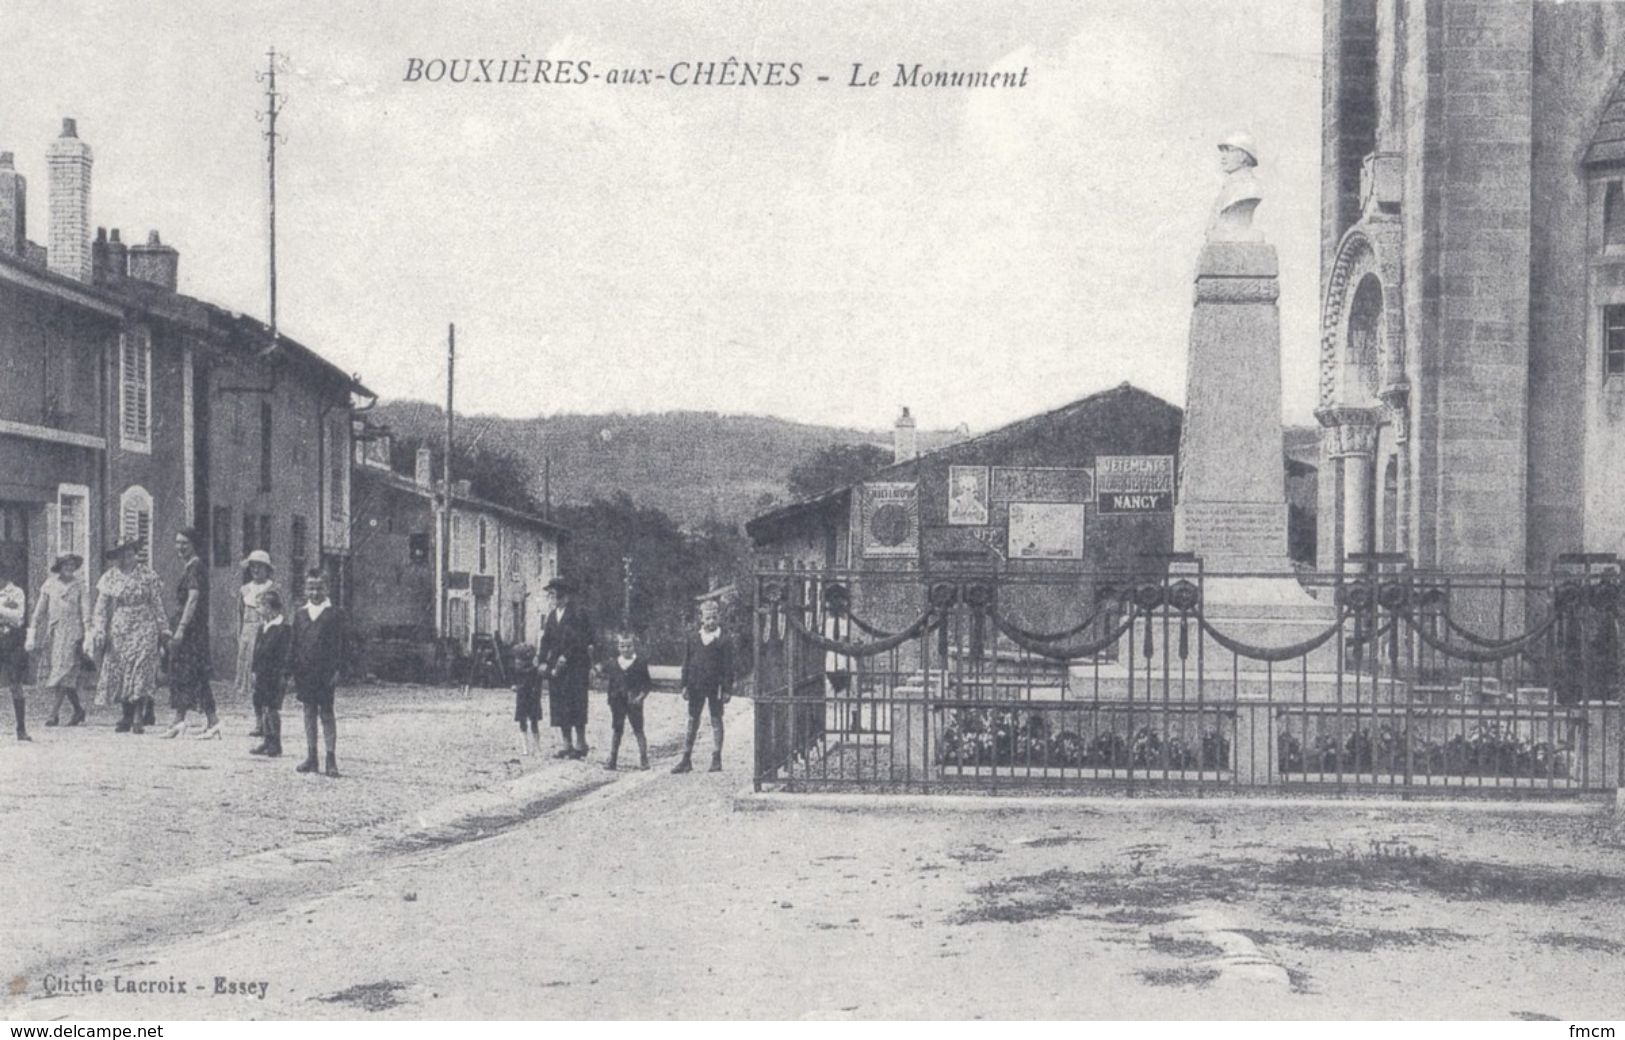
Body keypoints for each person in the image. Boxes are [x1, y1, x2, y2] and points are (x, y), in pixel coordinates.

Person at [86, 538, 166, 734]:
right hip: (121, 626)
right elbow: (101, 607)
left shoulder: (148, 575)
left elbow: (156, 603)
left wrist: (164, 628)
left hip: (145, 624)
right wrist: (99, 629)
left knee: (142, 668)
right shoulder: (111, 577)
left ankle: (139, 715)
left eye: (129, 553)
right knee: (122, 669)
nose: (126, 558)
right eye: (122, 554)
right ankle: (126, 715)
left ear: (135, 554)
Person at [162, 528, 218, 740]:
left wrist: (182, 628)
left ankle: (180, 720)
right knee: (195, 673)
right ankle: (210, 720)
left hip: (192, 630)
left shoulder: (195, 567)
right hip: (192, 628)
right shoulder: (192, 567)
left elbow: (193, 599)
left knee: (186, 672)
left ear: (193, 544)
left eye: (184, 543)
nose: (179, 547)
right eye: (177, 543)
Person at [290, 569, 344, 777]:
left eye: (319, 588)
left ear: (327, 588)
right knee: (308, 711)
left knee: (327, 713)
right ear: (305, 589)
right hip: (305, 672)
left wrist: (338, 669)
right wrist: (291, 671)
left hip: (325, 673)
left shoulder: (334, 614)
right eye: (310, 588)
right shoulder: (300, 614)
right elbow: (294, 644)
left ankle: (330, 758)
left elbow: (341, 644)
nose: (314, 592)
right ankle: (311, 756)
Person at [537, 577, 595, 760]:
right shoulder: (553, 616)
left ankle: (581, 743)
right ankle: (566, 744)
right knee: (560, 704)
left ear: (564, 596)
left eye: (553, 594)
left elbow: (581, 640)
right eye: (550, 595)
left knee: (576, 703)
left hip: (576, 666)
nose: (551, 598)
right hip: (557, 666)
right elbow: (546, 640)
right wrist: (541, 660)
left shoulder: (578, 614)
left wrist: (566, 656)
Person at [673, 599, 733, 774]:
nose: (711, 621)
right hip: (695, 684)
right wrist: (684, 685)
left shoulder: (724, 640)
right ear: (701, 619)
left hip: (716, 686)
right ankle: (686, 758)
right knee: (692, 720)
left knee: (716, 719)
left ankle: (716, 758)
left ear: (719, 617)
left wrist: (728, 688)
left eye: (714, 617)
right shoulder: (693, 638)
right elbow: (687, 662)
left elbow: (729, 667)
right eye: (707, 618)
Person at [28, 554, 87, 728]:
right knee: (63, 674)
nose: (69, 567)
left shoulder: (80, 585)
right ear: (59, 567)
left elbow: (85, 609)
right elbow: (39, 611)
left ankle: (53, 715)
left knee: (64, 671)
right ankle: (78, 709)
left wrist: (87, 633)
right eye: (65, 564)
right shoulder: (49, 585)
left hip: (73, 632)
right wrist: (32, 632)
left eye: (72, 564)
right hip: (54, 633)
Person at [235, 550, 278, 734]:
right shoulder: (244, 590)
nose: (256, 570)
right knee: (253, 683)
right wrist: (240, 637)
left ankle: (269, 722)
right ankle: (258, 721)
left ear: (267, 569)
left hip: (265, 635)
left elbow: (278, 614)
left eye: (260, 566)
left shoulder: (273, 589)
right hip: (247, 636)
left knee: (264, 680)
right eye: (253, 566)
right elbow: (238, 615)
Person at [604, 632, 652, 771]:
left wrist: (640, 697)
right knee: (617, 730)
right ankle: (612, 759)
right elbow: (611, 684)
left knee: (638, 730)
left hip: (634, 701)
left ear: (634, 646)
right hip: (617, 701)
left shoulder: (640, 663)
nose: (626, 649)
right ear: (618, 647)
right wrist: (610, 700)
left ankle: (644, 759)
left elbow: (647, 684)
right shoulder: (614, 663)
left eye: (629, 646)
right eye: (622, 646)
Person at [0, 572, 28, 742]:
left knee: (15, 683)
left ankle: (21, 728)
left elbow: (18, 617)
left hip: (12, 640)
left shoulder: (16, 592)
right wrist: (5, 609)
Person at [511, 643, 543, 756]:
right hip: (532, 698)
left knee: (524, 722)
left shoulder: (524, 671)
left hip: (525, 697)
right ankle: (535, 748)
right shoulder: (534, 670)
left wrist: (517, 687)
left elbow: (523, 685)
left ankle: (528, 748)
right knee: (532, 722)